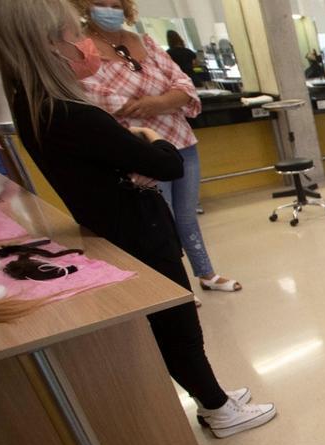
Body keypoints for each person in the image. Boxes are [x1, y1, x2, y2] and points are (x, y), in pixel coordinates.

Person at [0, 0, 276, 437]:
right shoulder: (72, 114)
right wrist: (149, 138)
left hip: (119, 219)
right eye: (74, 37)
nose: (84, 45)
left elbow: (152, 126)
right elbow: (165, 162)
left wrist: (137, 141)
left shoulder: (33, 106)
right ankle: (218, 409)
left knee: (175, 318)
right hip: (136, 227)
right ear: (50, 46)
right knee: (176, 320)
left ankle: (211, 393)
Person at [70, 0, 241, 296]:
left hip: (180, 141)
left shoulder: (143, 41)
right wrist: (164, 100)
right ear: (85, 6)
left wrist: (152, 103)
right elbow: (101, 99)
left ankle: (206, 272)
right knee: (160, 220)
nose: (110, 9)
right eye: (101, 3)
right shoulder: (82, 50)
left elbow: (183, 85)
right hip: (140, 149)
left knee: (187, 216)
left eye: (115, 4)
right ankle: (174, 285)